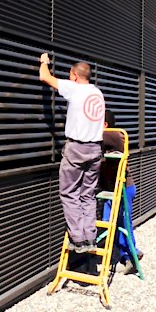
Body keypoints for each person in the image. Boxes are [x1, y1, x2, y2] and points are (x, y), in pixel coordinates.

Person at [39, 52, 105, 253]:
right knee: (87, 194)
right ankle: (90, 238)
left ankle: (77, 240)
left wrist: (44, 61)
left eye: (70, 75)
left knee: (69, 193)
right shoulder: (98, 93)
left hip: (77, 148)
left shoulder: (74, 89)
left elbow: (45, 77)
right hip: (95, 149)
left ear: (75, 76)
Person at [100, 109, 143, 274]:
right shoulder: (106, 140)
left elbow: (118, 137)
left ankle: (131, 255)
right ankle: (124, 255)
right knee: (109, 222)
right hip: (112, 190)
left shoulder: (114, 135)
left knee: (124, 223)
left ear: (105, 124)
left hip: (125, 189)